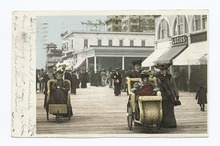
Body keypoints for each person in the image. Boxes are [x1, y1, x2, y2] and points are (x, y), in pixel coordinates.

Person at [154, 63, 179, 128]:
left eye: (163, 70)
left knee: (170, 109)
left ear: (166, 70)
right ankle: (163, 123)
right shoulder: (157, 77)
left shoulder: (170, 76)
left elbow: (173, 86)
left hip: (170, 95)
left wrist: (176, 94)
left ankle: (171, 123)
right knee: (162, 109)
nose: (162, 71)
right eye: (161, 70)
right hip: (161, 94)